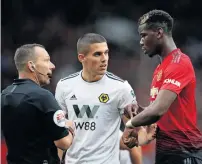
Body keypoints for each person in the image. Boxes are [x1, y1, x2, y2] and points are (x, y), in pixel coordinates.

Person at [124, 10, 202, 163]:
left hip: (184, 152)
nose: (141, 42)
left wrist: (130, 125)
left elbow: (158, 110)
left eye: (144, 35)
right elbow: (160, 114)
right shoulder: (161, 68)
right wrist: (141, 110)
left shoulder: (179, 63)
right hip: (167, 153)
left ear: (159, 33)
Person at [55, 33, 145, 164]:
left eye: (106, 53)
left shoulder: (121, 88)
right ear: (82, 57)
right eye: (97, 54)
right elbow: (59, 132)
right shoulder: (64, 86)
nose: (105, 59)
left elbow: (134, 135)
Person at [1, 44, 75, 164]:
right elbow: (64, 143)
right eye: (46, 60)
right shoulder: (42, 96)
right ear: (31, 66)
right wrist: (69, 126)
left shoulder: (4, 95)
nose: (52, 66)